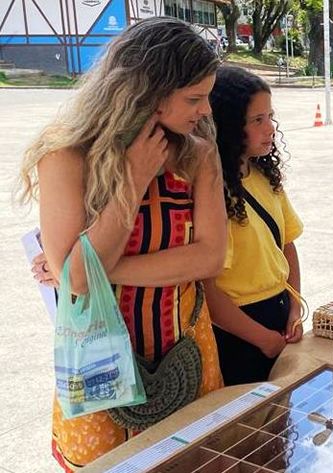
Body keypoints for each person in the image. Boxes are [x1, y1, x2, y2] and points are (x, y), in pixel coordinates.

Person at [18, 17, 226, 470]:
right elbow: (75, 279)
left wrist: (96, 269)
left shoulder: (198, 154)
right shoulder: (66, 157)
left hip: (187, 353)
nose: (206, 110)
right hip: (97, 368)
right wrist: (131, 181)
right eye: (194, 98)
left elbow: (210, 256)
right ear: (146, 95)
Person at [206, 66, 305, 386]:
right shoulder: (212, 192)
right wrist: (263, 339)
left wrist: (294, 308)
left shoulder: (265, 177)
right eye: (257, 120)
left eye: (270, 117)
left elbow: (287, 244)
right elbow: (208, 290)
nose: (270, 129)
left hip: (278, 313)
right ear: (230, 125)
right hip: (238, 332)